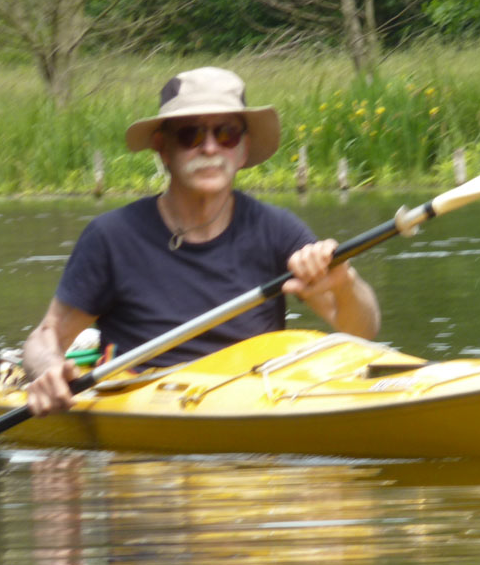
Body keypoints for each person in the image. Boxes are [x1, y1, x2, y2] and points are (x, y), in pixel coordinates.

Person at [22, 67, 381, 417]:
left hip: (257, 402)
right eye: (190, 135)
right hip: (145, 415)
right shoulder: (110, 237)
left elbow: (362, 332)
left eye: (226, 134)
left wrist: (345, 283)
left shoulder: (278, 229)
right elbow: (46, 336)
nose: (209, 148)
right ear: (163, 149)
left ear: (242, 150)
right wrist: (49, 369)